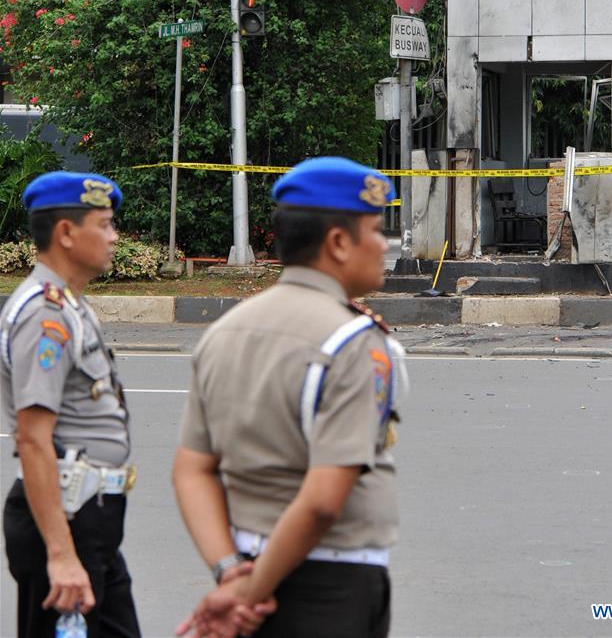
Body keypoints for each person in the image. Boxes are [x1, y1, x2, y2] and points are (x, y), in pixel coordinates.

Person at [173, 156, 408, 638]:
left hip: (247, 565)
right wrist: (253, 592)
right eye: (378, 231)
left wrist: (231, 575)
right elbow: (323, 502)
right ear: (339, 243)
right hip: (329, 582)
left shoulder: (224, 332)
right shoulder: (353, 342)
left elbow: (191, 469)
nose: (386, 245)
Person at [1, 171, 141, 638]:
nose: (114, 236)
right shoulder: (46, 315)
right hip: (64, 520)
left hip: (87, 518)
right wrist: (60, 555)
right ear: (65, 233)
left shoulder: (70, 305)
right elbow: (34, 439)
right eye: (103, 224)